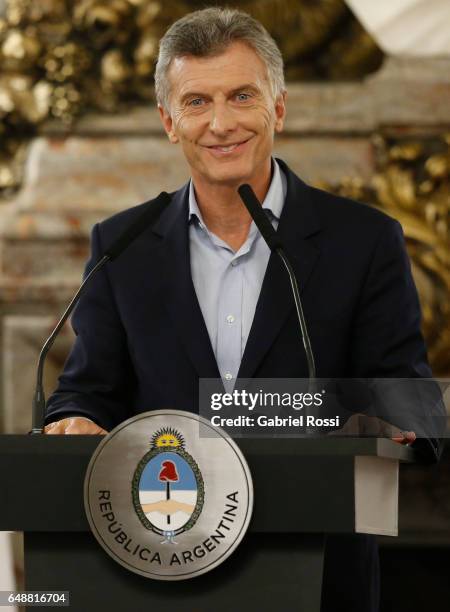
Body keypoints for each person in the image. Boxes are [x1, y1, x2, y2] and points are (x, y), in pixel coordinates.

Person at [44, 7, 439, 611]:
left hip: (319, 577)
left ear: (277, 107)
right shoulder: (121, 246)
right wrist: (69, 420)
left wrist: (359, 422)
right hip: (159, 567)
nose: (221, 123)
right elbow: (88, 392)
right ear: (169, 121)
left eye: (242, 95)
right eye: (197, 101)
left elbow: (407, 398)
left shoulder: (365, 240)